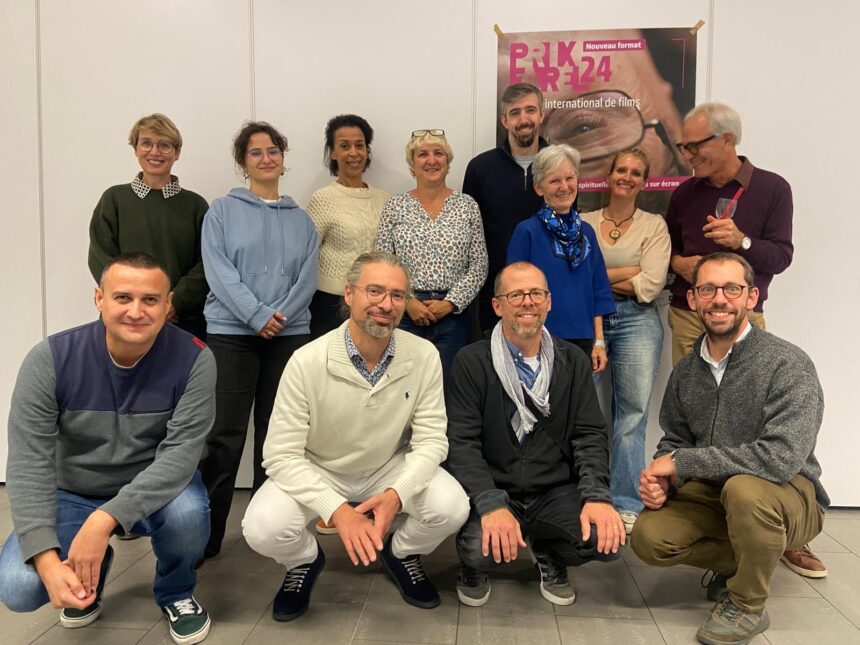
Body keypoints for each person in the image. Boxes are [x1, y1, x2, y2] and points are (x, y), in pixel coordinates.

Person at [0, 253, 216, 645]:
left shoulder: (195, 359)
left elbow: (180, 456)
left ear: (168, 304)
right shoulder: (50, 359)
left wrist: (102, 522)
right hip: (74, 490)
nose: (136, 311)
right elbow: (29, 464)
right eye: (122, 298)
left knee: (188, 515)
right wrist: (47, 561)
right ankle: (89, 575)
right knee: (18, 587)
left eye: (150, 300)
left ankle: (176, 591)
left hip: (156, 489)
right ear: (99, 298)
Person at [242, 252, 469, 621]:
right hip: (322, 467)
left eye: (397, 295)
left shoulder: (424, 354)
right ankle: (303, 561)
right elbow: (280, 455)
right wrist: (337, 510)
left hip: (388, 466)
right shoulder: (306, 361)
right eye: (374, 291)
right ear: (348, 293)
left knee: (452, 507)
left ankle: (401, 552)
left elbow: (432, 441)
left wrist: (398, 494)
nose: (386, 304)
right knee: (261, 527)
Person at [631, 253, 827, 645]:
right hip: (713, 494)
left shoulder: (788, 364)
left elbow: (779, 458)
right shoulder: (687, 371)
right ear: (693, 299)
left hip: (789, 494)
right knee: (648, 538)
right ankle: (749, 557)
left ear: (751, 297)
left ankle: (747, 605)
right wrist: (665, 481)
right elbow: (675, 440)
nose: (719, 299)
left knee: (744, 490)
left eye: (732, 289)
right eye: (707, 289)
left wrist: (681, 462)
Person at [666, 103, 815, 579]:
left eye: (695, 146)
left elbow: (782, 256)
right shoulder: (684, 193)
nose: (687, 155)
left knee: (758, 417)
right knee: (698, 415)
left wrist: (742, 242)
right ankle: (720, 522)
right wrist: (678, 264)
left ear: (727, 139)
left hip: (743, 318)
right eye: (684, 146)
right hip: (688, 315)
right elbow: (667, 248)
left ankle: (785, 528)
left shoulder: (772, 188)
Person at [446, 261, 624, 608]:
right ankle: (473, 564)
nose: (527, 302)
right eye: (515, 295)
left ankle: (547, 547)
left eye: (536, 294)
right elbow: (462, 442)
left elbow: (589, 434)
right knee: (479, 549)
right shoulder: (472, 361)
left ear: (549, 302)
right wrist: (490, 504)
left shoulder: (573, 360)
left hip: (553, 491)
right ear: (497, 305)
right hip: (497, 487)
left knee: (607, 539)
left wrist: (597, 497)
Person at [199, 121, 318, 561]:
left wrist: (276, 317)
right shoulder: (220, 212)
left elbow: (308, 277)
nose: (266, 159)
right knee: (223, 435)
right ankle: (207, 536)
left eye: (273, 151)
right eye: (256, 153)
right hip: (231, 335)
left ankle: (267, 531)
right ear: (242, 162)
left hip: (288, 336)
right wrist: (255, 315)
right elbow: (219, 271)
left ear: (283, 160)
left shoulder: (302, 220)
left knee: (277, 435)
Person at [581, 149, 670, 533]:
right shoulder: (584, 222)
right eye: (621, 170)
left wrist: (598, 277)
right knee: (578, 407)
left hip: (638, 319)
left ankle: (625, 501)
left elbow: (652, 283)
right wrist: (629, 270)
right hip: (589, 321)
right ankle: (581, 494)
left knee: (632, 414)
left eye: (636, 172)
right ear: (609, 175)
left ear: (645, 182)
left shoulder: (654, 225)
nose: (627, 177)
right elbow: (576, 278)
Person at [374, 129, 487, 377]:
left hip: (454, 316)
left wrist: (451, 303)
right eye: (423, 154)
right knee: (402, 385)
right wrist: (408, 301)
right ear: (412, 165)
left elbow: (479, 264)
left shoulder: (467, 206)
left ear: (448, 161)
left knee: (446, 386)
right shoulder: (396, 205)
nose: (431, 160)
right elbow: (382, 263)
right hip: (403, 313)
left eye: (438, 153)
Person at [88, 113, 209, 339]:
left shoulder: (195, 205)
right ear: (136, 149)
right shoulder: (114, 200)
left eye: (164, 145)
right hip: (124, 319)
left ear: (177, 153)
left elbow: (206, 263)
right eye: (146, 143)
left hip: (182, 321)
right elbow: (100, 257)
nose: (155, 152)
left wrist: (174, 303)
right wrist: (134, 302)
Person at [507, 144, 615, 372]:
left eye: (570, 178)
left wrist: (599, 341)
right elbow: (513, 294)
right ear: (539, 188)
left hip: (583, 340)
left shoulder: (587, 232)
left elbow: (598, 290)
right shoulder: (526, 232)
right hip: (538, 339)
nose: (564, 187)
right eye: (555, 181)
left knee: (578, 397)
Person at [463, 82, 549, 334]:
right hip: (496, 295)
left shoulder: (559, 166)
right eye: (515, 112)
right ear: (504, 120)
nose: (524, 119)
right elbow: (470, 236)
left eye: (530, 110)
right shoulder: (480, 168)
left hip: (547, 292)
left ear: (541, 114)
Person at [306, 114, 390, 338]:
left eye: (359, 145)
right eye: (344, 146)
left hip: (377, 303)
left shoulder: (385, 199)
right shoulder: (322, 199)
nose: (354, 153)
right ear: (333, 152)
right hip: (330, 304)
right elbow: (306, 256)